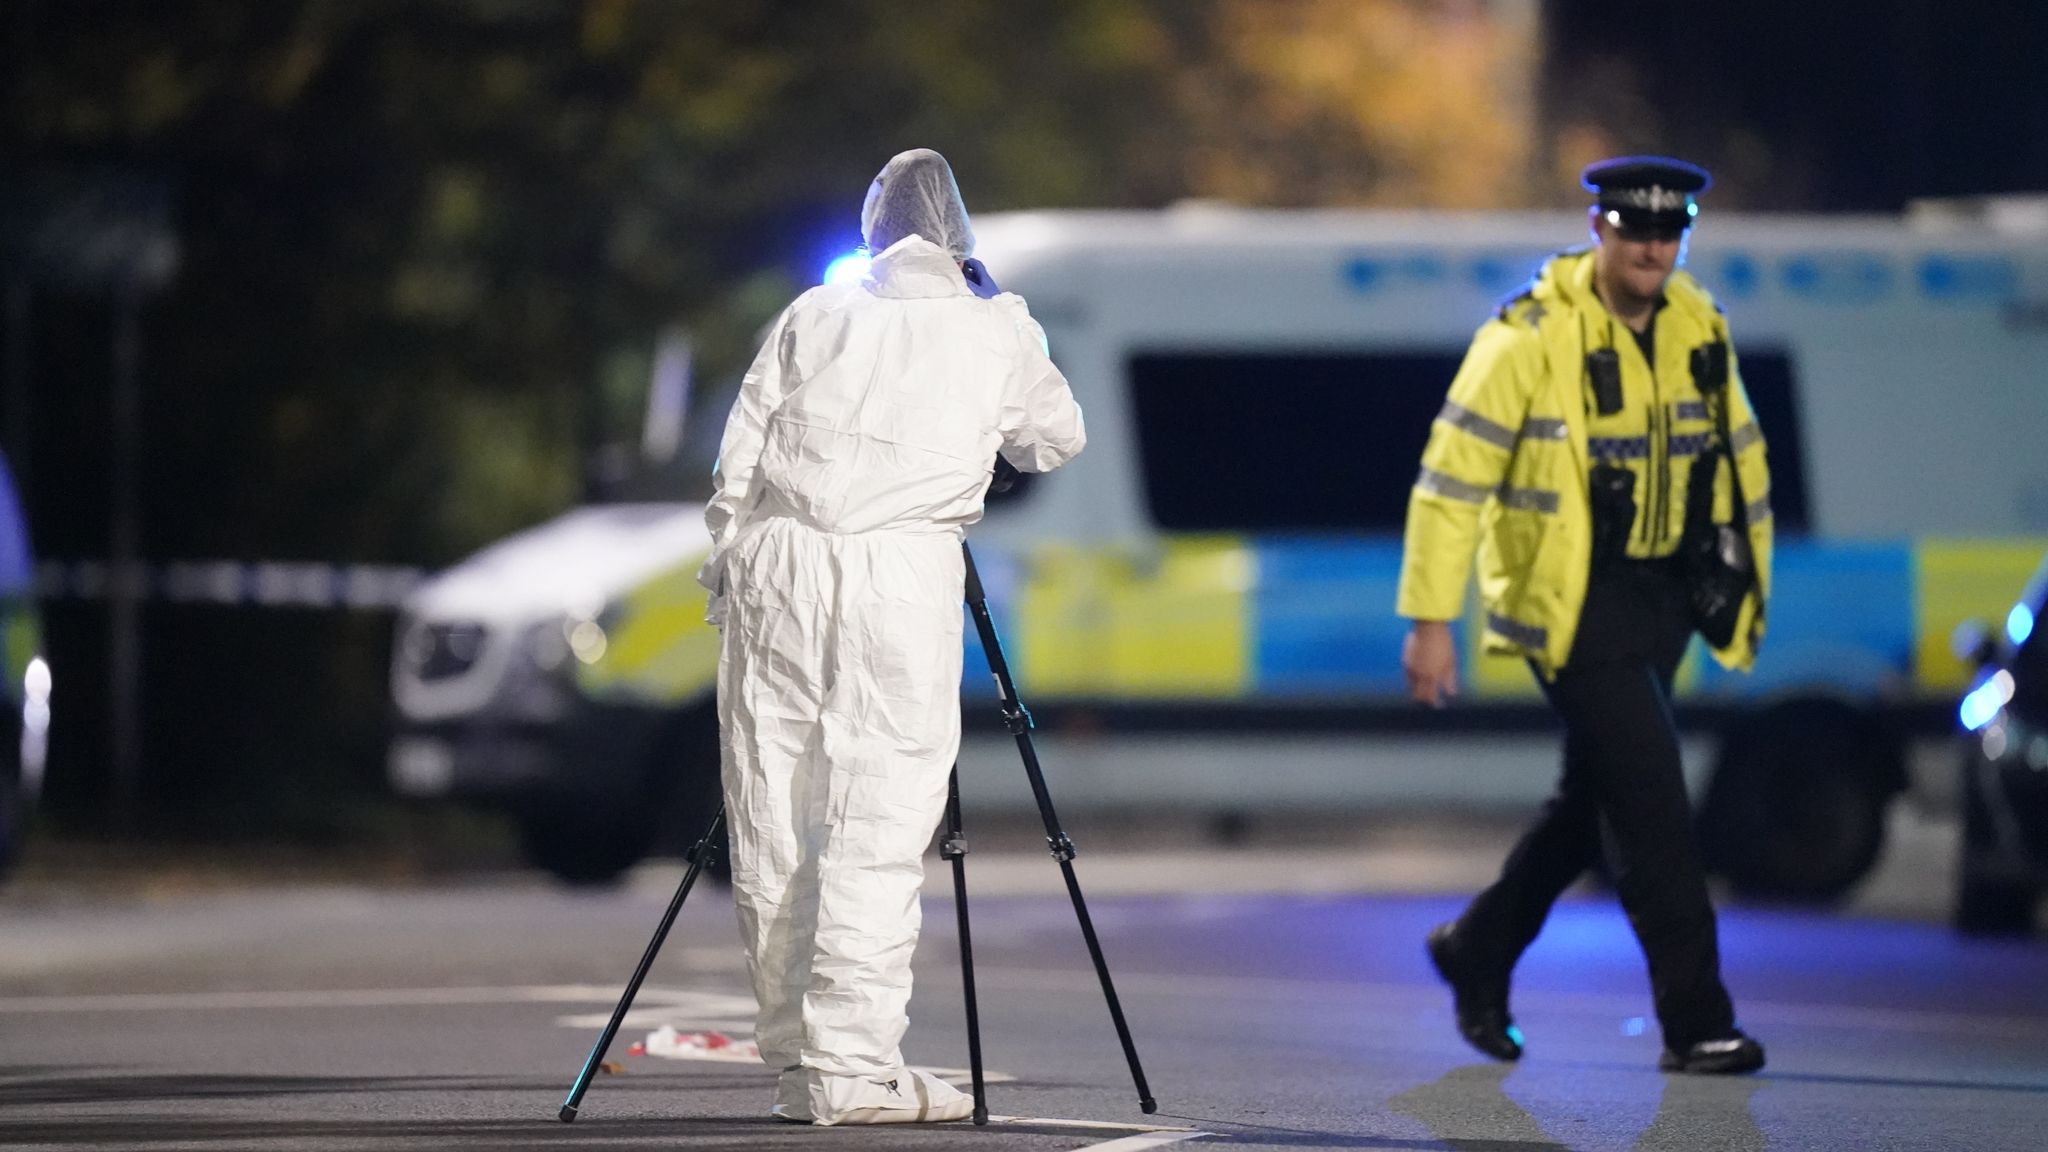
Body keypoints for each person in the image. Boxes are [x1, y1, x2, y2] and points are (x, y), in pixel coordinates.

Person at [697, 148, 1086, 1125]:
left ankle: (798, 1065)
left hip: (775, 566)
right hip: (897, 572)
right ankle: (852, 1071)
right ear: (959, 235)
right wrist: (998, 308)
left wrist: (726, 575)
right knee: (874, 818)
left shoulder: (813, 313)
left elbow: (737, 457)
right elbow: (1054, 437)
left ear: (872, 229)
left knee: (773, 812)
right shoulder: (987, 326)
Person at [1396, 156, 1772, 1076]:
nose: (1651, 247)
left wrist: (1738, 575)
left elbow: (1739, 459)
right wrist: (1431, 618)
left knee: (1595, 797)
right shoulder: (1527, 336)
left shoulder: (1699, 324)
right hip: (1569, 599)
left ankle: (1478, 948)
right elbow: (1452, 483)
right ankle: (1696, 1021)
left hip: (1667, 597)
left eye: (1668, 232)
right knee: (1653, 800)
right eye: (1634, 229)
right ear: (1599, 228)